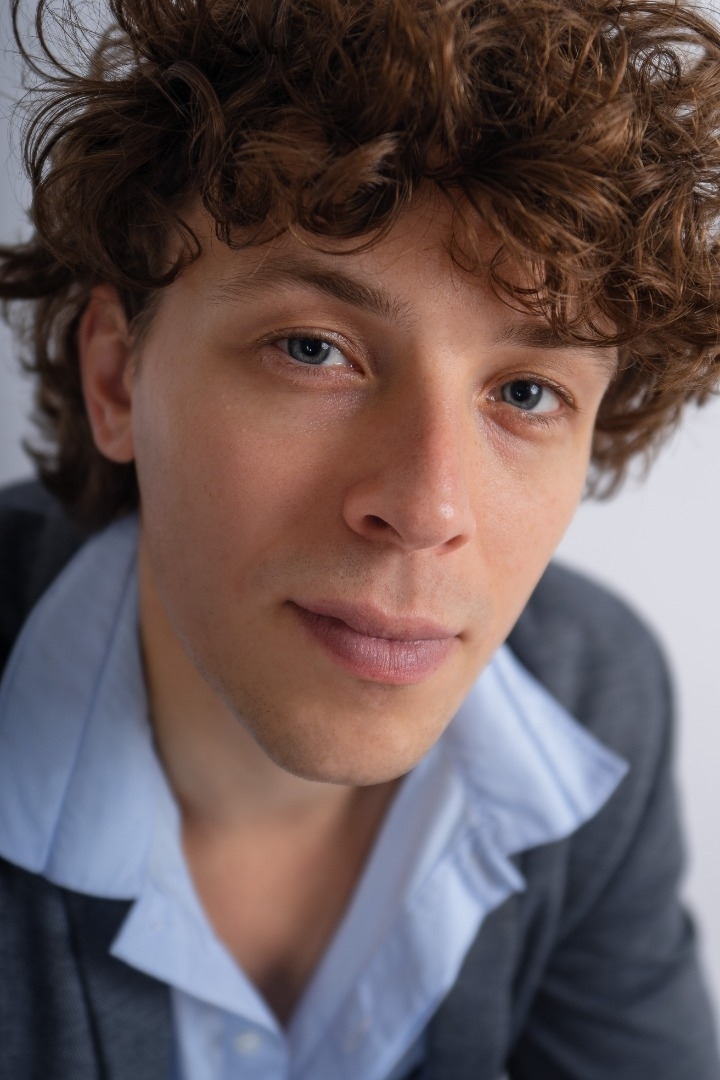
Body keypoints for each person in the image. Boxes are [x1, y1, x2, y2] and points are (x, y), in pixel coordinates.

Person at [1, 0, 719, 1076]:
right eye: (312, 349)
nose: (427, 508)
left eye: (527, 391)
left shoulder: (596, 698)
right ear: (116, 377)